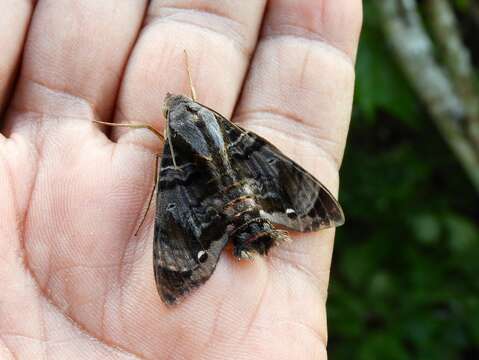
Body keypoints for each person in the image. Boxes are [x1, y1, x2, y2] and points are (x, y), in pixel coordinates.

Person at [0, 1, 362, 358]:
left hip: (207, 199)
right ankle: (274, 221)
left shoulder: (170, 150)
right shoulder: (229, 132)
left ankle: (233, 239)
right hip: (247, 185)